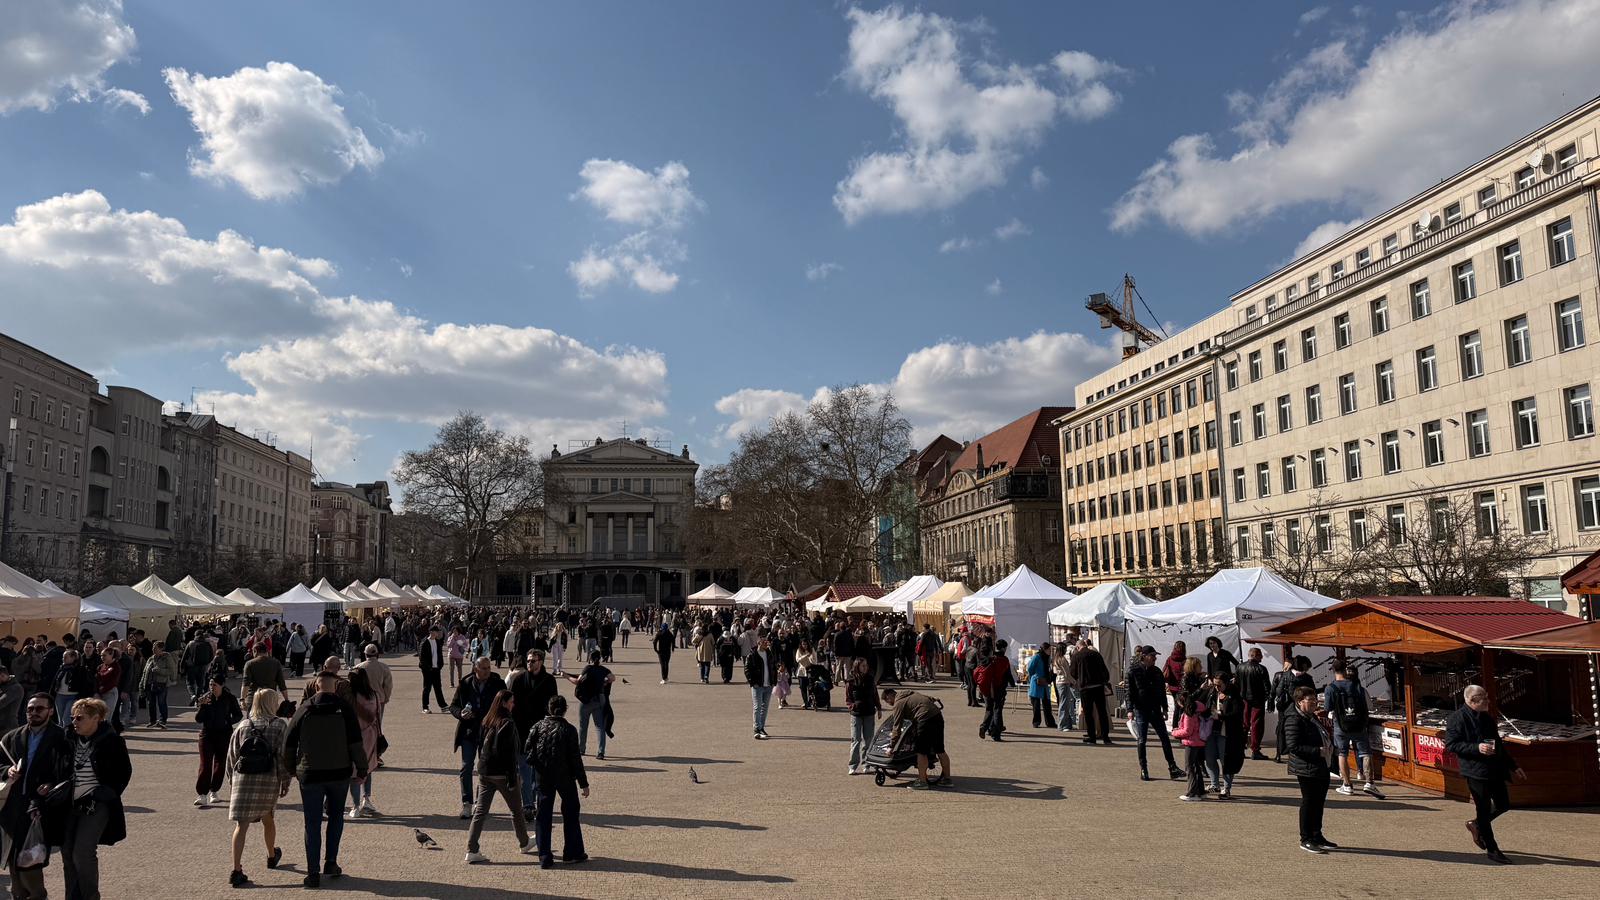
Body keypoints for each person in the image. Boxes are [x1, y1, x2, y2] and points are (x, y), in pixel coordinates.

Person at [283, 672, 367, 888]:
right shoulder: (345, 708)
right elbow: (356, 741)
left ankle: (312, 873)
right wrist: (362, 768)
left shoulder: (304, 709)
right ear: (335, 686)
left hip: (310, 773)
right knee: (336, 817)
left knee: (312, 823)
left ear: (315, 686)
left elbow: (289, 741)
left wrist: (291, 768)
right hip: (339, 773)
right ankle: (331, 862)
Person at [1444, 684, 1526, 864]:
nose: (1488, 701)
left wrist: (1513, 765)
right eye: (1484, 698)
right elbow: (1451, 745)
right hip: (1475, 771)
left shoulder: (1487, 717)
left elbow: (1498, 744)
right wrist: (1476, 748)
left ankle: (1475, 824)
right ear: (1472, 701)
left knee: (1503, 804)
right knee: (1482, 808)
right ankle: (1492, 849)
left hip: (1494, 768)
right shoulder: (1457, 719)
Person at [61, 697, 131, 900]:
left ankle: (91, 896)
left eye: (80, 718)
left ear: (96, 719)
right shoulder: (67, 738)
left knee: (82, 852)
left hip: (96, 804)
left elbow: (124, 771)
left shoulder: (112, 741)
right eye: (73, 717)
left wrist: (106, 792)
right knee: (67, 852)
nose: (74, 722)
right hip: (69, 802)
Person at [2, 695, 69, 899]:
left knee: (30, 861)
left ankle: (38, 895)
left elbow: (67, 770)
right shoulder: (12, 737)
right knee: (14, 862)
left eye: (39, 709)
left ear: (50, 711)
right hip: (13, 807)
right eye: (30, 709)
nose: (34, 712)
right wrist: (7, 772)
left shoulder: (62, 737)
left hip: (40, 808)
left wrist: (51, 784)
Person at [226, 688, 289, 888]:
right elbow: (282, 757)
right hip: (267, 779)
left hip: (243, 780)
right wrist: (285, 781)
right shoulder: (279, 725)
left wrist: (231, 780)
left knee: (241, 825)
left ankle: (236, 869)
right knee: (268, 818)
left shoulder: (243, 725)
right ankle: (271, 855)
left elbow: (232, 755)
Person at [464, 690, 535, 863]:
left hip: (485, 771)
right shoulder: (507, 723)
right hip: (501, 773)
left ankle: (471, 849)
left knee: (480, 811)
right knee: (516, 810)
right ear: (503, 703)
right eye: (511, 701)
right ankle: (524, 842)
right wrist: (513, 778)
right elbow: (510, 754)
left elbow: (482, 745)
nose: (513, 704)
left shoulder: (488, 719)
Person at [526, 695, 588, 869]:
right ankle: (572, 851)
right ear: (565, 709)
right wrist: (583, 783)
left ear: (549, 708)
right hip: (565, 776)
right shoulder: (569, 729)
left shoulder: (538, 726)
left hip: (543, 775)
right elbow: (576, 759)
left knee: (543, 815)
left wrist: (538, 764)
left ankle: (544, 856)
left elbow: (528, 751)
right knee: (571, 813)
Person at [450, 658, 507, 819]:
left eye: (488, 668)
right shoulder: (466, 683)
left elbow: (507, 705)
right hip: (469, 732)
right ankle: (466, 803)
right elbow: (453, 706)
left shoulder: (498, 684)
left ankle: (479, 802)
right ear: (475, 669)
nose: (487, 671)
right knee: (466, 767)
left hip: (489, 733)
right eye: (483, 668)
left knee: (484, 769)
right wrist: (461, 713)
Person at [1283, 686, 1336, 853]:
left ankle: (1316, 834)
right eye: (1310, 700)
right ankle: (1305, 838)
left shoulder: (1311, 717)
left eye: (1315, 700)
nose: (1314, 703)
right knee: (1309, 802)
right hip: (1306, 767)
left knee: (1318, 802)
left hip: (1320, 765)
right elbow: (1293, 746)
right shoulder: (1294, 719)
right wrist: (1317, 751)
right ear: (1300, 702)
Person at [1324, 661, 1383, 798]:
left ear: (1333, 670)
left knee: (1342, 753)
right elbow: (1367, 706)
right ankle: (1369, 783)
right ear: (1345, 670)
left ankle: (1347, 784)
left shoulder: (1331, 688)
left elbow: (1327, 708)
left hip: (1341, 725)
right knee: (1365, 752)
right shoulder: (1357, 687)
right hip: (1359, 724)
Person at [507, 651, 558, 810]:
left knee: (538, 772)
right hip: (522, 731)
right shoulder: (519, 679)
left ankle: (535, 801)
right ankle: (528, 805)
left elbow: (553, 706)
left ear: (541, 662)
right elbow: (512, 705)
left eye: (533, 661)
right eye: (528, 661)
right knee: (524, 770)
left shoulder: (549, 680)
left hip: (541, 731)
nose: (529, 664)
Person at [1127, 647, 1183, 782]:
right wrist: (1130, 709)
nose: (1155, 658)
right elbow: (1129, 691)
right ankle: (1143, 768)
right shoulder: (1133, 671)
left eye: (1155, 656)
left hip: (1155, 709)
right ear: (1144, 656)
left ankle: (1172, 766)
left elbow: (1162, 692)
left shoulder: (1157, 672)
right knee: (1142, 740)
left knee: (1165, 738)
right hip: (1141, 709)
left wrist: (1164, 708)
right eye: (1152, 656)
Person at [881, 687, 950, 789]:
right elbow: (928, 698)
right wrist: (934, 699)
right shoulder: (911, 693)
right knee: (940, 749)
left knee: (921, 752)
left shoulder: (899, 703)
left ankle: (922, 782)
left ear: (889, 696)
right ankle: (947, 779)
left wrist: (891, 746)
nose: (889, 704)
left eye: (887, 701)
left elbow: (897, 726)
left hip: (925, 720)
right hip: (937, 716)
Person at [194, 673, 243, 808]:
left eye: (214, 684)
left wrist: (228, 722)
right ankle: (202, 794)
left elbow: (238, 714)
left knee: (220, 764)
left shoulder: (229, 698)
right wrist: (202, 706)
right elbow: (198, 719)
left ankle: (214, 791)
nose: (211, 687)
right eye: (210, 684)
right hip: (207, 735)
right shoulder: (206, 698)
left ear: (221, 685)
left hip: (224, 735)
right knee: (205, 764)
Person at [345, 668, 382, 818]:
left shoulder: (352, 697)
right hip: (372, 734)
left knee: (354, 770)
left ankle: (355, 805)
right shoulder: (373, 694)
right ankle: (366, 798)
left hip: (355, 736)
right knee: (368, 767)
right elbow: (378, 715)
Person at [565, 651, 615, 759]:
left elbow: (577, 681)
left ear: (590, 658)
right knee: (599, 726)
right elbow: (612, 678)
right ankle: (601, 751)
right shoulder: (604, 670)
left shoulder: (587, 668)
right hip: (598, 700)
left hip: (586, 701)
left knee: (583, 726)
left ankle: (581, 749)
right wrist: (605, 681)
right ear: (600, 658)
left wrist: (566, 676)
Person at [1271, 656, 1316, 763]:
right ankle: (1297, 753)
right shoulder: (1307, 678)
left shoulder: (1285, 675)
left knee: (1282, 730)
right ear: (1304, 665)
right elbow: (1312, 692)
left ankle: (1279, 753)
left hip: (1285, 708)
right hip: (1301, 708)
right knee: (1301, 731)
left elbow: (1278, 691)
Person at [1070, 639, 1112, 745]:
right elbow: (1104, 670)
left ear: (1078, 647)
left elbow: (1073, 673)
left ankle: (1092, 736)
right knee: (1102, 712)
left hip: (1085, 688)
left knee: (1088, 713)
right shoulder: (1096, 654)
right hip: (1098, 686)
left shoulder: (1077, 656)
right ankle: (1105, 736)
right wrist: (1104, 681)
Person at [1236, 647, 1273, 760]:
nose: (1262, 657)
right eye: (1260, 655)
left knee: (1244, 724)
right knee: (1256, 725)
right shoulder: (1261, 669)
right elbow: (1267, 687)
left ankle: (1240, 749)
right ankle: (1255, 750)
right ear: (1256, 655)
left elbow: (1237, 684)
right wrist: (1268, 699)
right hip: (1257, 700)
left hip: (1244, 699)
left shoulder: (1240, 667)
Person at [844, 657, 879, 775]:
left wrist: (878, 708)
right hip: (856, 714)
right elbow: (848, 698)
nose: (865, 667)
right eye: (863, 665)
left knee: (868, 740)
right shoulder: (851, 681)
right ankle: (853, 765)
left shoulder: (870, 679)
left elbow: (875, 694)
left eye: (866, 665)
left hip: (869, 712)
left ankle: (867, 764)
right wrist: (852, 706)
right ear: (857, 666)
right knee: (856, 739)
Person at [977, 642, 1012, 741]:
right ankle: (995, 733)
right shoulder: (1003, 660)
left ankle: (985, 727)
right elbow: (1007, 674)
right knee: (997, 710)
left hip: (987, 687)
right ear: (1003, 648)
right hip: (998, 688)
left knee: (989, 709)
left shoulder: (989, 659)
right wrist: (1012, 683)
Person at [51, 649, 94, 729]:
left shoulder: (80, 669)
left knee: (66, 718)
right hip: (60, 696)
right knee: (60, 719)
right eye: (63, 657)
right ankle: (61, 736)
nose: (63, 659)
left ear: (73, 657)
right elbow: (54, 682)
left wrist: (81, 698)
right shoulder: (62, 668)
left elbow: (84, 684)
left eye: (65, 657)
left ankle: (68, 736)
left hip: (73, 696)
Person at [139, 643, 179, 729]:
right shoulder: (151, 659)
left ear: (161, 649)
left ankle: (162, 721)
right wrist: (142, 684)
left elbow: (171, 671)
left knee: (161, 703)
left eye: (155, 648)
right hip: (150, 684)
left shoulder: (167, 658)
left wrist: (159, 671)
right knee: (151, 704)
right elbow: (145, 672)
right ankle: (152, 720)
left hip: (161, 684)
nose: (153, 649)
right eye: (153, 648)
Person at [745, 634, 777, 740]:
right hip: (757, 685)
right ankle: (756, 729)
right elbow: (747, 670)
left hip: (768, 684)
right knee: (757, 707)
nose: (766, 644)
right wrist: (752, 682)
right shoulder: (752, 655)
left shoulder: (769, 654)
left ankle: (761, 727)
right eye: (764, 642)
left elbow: (773, 667)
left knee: (765, 707)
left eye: (767, 642)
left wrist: (774, 681)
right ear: (759, 643)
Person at [242, 642, 287, 711]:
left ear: (255, 651)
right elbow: (281, 684)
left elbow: (246, 684)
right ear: (267, 651)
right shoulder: (276, 663)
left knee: (252, 720)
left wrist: (242, 700)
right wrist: (286, 699)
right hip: (270, 698)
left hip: (254, 698)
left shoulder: (249, 664)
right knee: (270, 720)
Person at [1026, 643, 1057, 729]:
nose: (1050, 651)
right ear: (1044, 649)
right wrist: (1035, 676)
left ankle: (1050, 722)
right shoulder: (1037, 657)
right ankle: (1036, 722)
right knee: (1036, 704)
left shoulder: (1047, 658)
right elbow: (1030, 668)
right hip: (1037, 682)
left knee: (1047, 704)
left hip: (1044, 682)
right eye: (1049, 650)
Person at [418, 626, 447, 713]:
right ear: (431, 632)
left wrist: (440, 665)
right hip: (427, 670)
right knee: (427, 688)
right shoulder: (424, 642)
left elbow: (440, 655)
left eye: (437, 632)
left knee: (438, 687)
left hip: (436, 668)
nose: (436, 633)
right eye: (435, 631)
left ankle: (443, 705)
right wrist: (428, 668)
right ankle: (425, 707)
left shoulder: (437, 642)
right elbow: (421, 657)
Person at [183, 632, 216, 704]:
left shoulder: (191, 643)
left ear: (195, 635)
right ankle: (198, 697)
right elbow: (211, 656)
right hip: (203, 666)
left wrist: (182, 666)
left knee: (190, 683)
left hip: (191, 666)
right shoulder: (207, 644)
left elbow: (184, 656)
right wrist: (206, 663)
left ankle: (193, 695)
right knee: (200, 683)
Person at [1052, 641, 1077, 732]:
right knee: (1064, 704)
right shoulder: (1062, 659)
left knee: (1065, 703)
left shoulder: (1056, 658)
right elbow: (1067, 673)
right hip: (1064, 682)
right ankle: (1062, 725)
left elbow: (1056, 672)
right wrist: (1074, 682)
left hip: (1060, 682)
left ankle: (1067, 724)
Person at [1162, 641, 1187, 727]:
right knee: (1179, 706)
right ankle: (1176, 726)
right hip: (1181, 686)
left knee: (1178, 706)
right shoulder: (1184, 660)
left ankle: (1176, 726)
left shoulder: (1170, 658)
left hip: (1172, 686)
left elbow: (1164, 669)